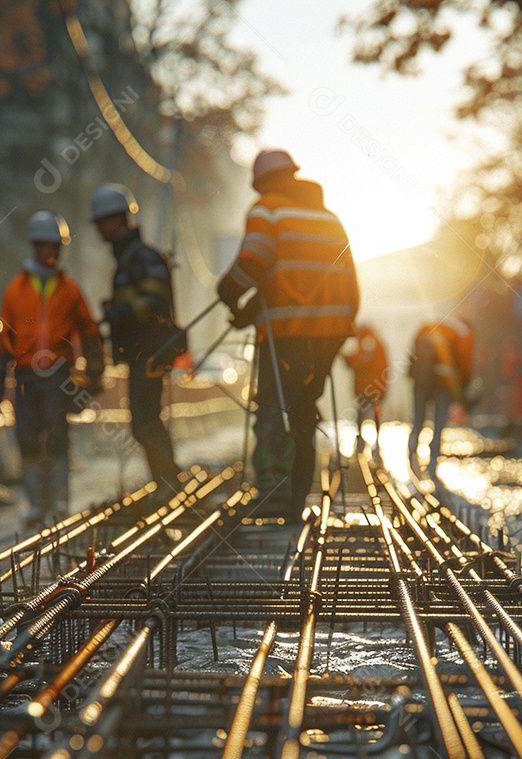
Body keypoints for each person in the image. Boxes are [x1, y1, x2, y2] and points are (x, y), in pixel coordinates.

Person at [216, 149, 359, 517]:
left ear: (261, 181)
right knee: (301, 411)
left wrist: (229, 291)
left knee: (270, 407)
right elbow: (296, 278)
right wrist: (250, 312)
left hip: (286, 334)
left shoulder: (268, 209)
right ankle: (295, 499)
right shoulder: (330, 218)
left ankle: (271, 493)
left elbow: (255, 262)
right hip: (329, 336)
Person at [0, 211, 103, 526]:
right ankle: (35, 506)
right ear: (36, 245)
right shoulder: (15, 290)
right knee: (28, 441)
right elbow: (4, 336)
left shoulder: (70, 290)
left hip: (59, 378)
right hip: (26, 376)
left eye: (57, 246)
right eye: (48, 245)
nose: (53, 252)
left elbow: (89, 330)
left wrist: (95, 371)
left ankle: (58, 502)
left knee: (57, 439)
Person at [90, 184, 182, 491]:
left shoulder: (142, 258)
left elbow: (155, 302)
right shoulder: (130, 258)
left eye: (102, 222)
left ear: (117, 219)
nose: (99, 229)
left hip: (150, 352)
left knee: (145, 422)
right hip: (141, 352)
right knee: (144, 421)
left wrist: (122, 312)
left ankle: (169, 482)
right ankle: (167, 482)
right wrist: (118, 310)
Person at [407, 314, 473, 473]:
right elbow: (465, 366)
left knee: (418, 421)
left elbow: (412, 357)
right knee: (438, 425)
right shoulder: (462, 334)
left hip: (421, 383)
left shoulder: (425, 329)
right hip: (443, 386)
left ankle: (410, 459)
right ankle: (432, 463)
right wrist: (461, 395)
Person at [342, 323, 388, 448]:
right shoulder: (372, 341)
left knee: (365, 418)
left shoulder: (368, 341)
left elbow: (362, 360)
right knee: (374, 418)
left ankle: (364, 446)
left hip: (368, 389)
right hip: (374, 389)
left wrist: (346, 358)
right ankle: (373, 445)